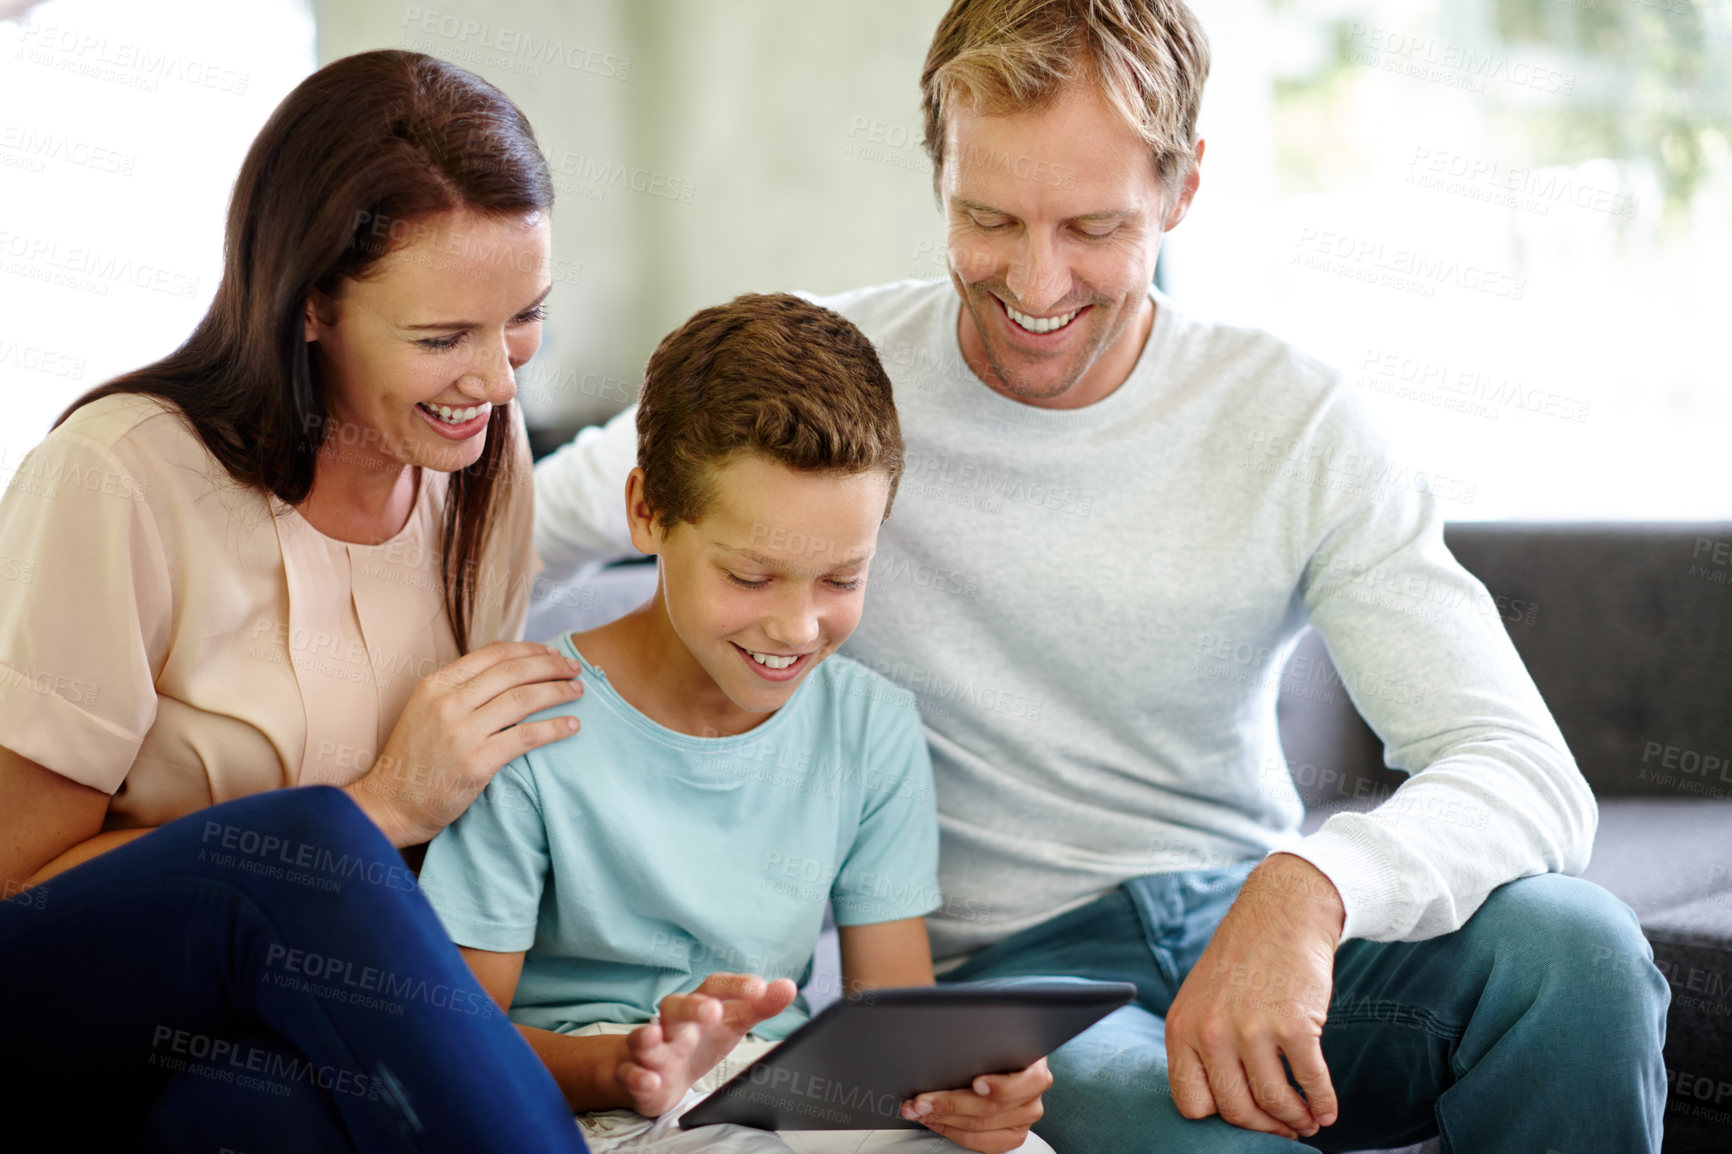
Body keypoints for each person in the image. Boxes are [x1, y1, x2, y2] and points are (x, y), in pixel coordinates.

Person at [529, 1, 1670, 1151]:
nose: (1034, 283)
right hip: (1018, 994)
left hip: (1254, 918)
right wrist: (401, 726)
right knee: (1195, 1135)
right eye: (986, 217)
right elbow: (532, 519)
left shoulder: (1292, 419)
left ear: (1182, 192)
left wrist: (1310, 889)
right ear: (938, 173)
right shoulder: (827, 394)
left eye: (1092, 226)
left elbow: (1523, 771)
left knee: (1578, 953)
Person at [0, 51, 593, 1152]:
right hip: (45, 1006)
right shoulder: (115, 478)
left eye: (522, 318)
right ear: (312, 303)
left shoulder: (479, 464)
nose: (500, 381)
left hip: (247, 1032)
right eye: (441, 338)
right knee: (312, 837)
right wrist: (384, 806)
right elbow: (17, 883)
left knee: (260, 1117)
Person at [419, 292, 1054, 1154]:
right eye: (751, 578)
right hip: (580, 1111)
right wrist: (629, 1066)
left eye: (842, 579)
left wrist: (960, 1095)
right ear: (646, 512)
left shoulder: (868, 727)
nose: (797, 629)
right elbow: (451, 1048)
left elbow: (891, 1025)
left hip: (774, 1089)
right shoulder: (522, 722)